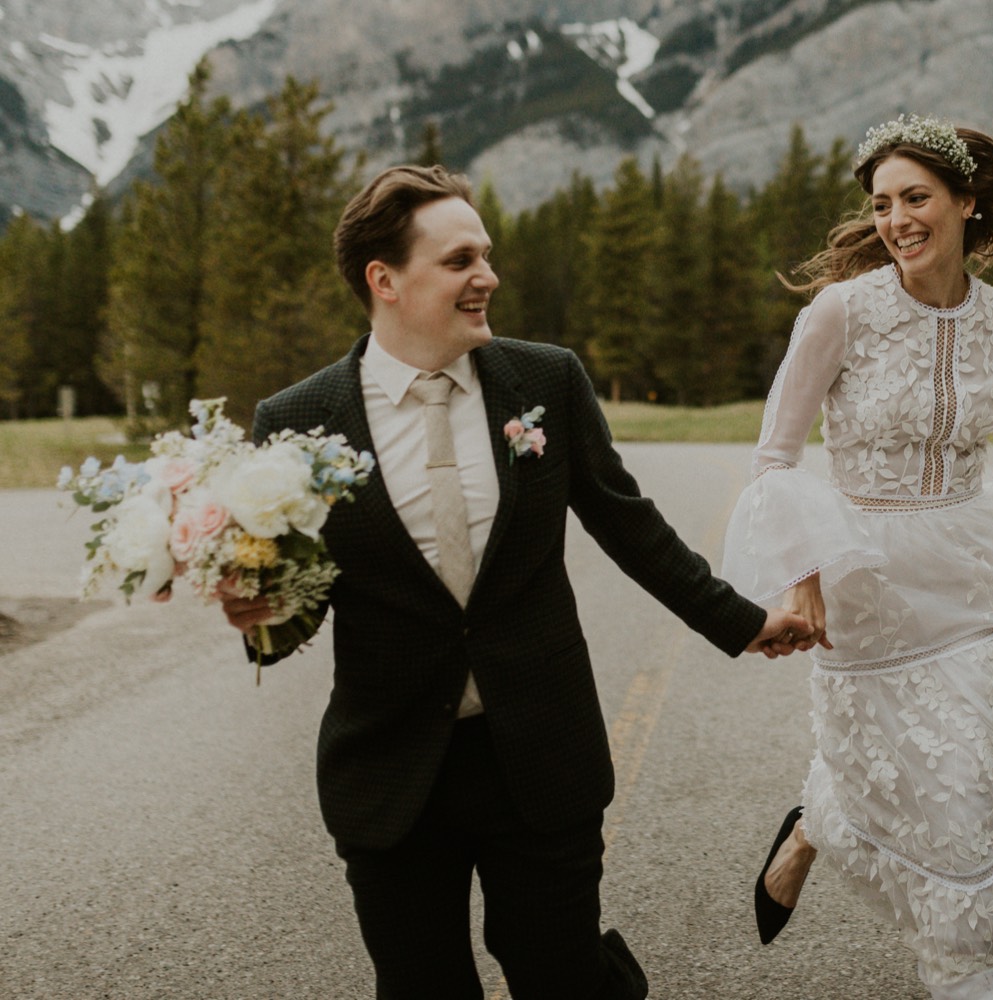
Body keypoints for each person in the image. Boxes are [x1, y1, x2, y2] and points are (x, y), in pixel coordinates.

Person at [219, 164, 811, 1000]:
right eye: (460, 260)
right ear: (384, 281)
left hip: (538, 751)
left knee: (560, 974)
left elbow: (628, 525)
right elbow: (293, 607)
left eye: (487, 255)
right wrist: (260, 616)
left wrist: (743, 621)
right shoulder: (296, 422)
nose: (487, 276)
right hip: (392, 770)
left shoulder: (545, 382)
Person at [721, 115, 993, 1000]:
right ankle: (821, 828)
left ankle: (974, 974)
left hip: (970, 571)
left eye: (916, 198)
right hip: (864, 584)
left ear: (965, 203)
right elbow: (775, 457)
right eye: (881, 203)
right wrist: (805, 582)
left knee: (973, 782)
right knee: (905, 774)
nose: (897, 219)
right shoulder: (841, 312)